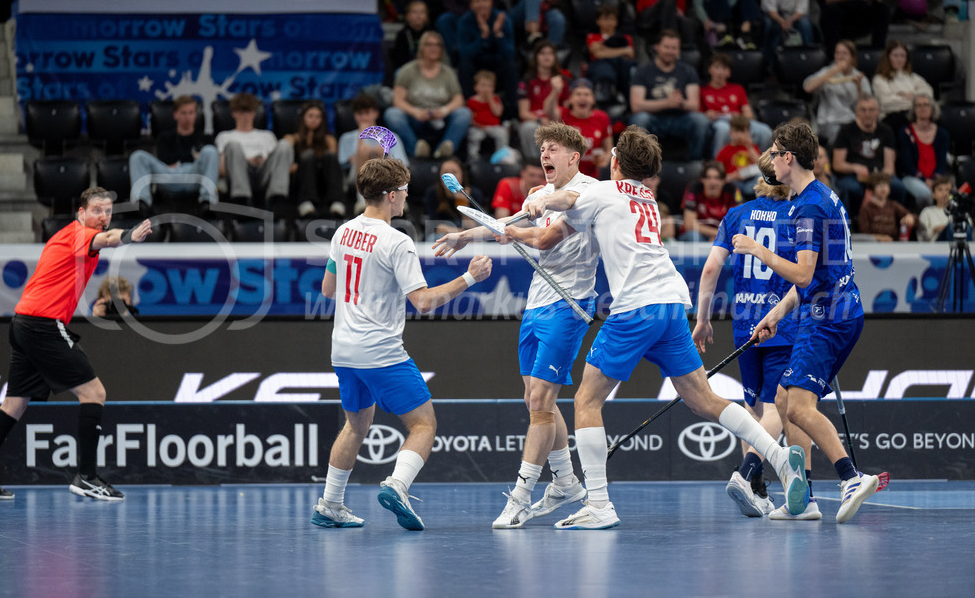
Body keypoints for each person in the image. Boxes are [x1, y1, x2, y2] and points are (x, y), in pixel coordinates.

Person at [502, 124, 807, 529]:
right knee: (704, 400)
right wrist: (521, 224)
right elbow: (555, 231)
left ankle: (598, 504)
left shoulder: (601, 192)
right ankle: (779, 457)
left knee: (585, 402)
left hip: (635, 309)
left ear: (613, 160)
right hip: (670, 304)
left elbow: (569, 197)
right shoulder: (645, 196)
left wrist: (543, 202)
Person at [434, 122, 600, 529]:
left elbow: (544, 240)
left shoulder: (590, 191)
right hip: (537, 305)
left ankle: (521, 495)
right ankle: (567, 483)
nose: (545, 155)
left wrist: (519, 231)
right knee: (535, 399)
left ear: (573, 156)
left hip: (568, 303)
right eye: (543, 148)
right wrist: (465, 236)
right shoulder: (538, 194)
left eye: (554, 148)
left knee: (542, 401)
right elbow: (506, 222)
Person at [312, 157, 492, 530]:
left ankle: (329, 504)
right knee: (423, 424)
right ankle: (398, 484)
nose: (407, 197)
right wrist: (470, 278)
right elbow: (423, 302)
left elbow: (329, 289)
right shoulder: (398, 242)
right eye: (405, 192)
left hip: (343, 350)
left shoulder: (342, 232)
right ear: (391, 196)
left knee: (355, 425)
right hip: (380, 351)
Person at [0, 188, 152, 502]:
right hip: (42, 325)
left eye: (107, 211)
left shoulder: (72, 236)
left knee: (14, 405)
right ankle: (87, 477)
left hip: (23, 323)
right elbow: (107, 239)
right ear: (81, 213)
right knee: (94, 393)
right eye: (96, 210)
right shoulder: (79, 234)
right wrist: (130, 235)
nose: (103, 217)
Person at [733, 120, 880, 523]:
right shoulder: (818, 197)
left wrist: (756, 249)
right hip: (832, 310)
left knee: (796, 407)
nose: (771, 160)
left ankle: (851, 477)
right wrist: (774, 316)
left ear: (789, 159)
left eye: (776, 152)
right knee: (783, 399)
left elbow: (800, 274)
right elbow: (807, 282)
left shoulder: (809, 207)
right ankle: (803, 499)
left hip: (828, 318)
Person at [693, 150, 796, 518]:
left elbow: (709, 270)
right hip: (780, 323)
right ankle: (747, 472)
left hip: (744, 324)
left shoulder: (736, 215)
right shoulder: (795, 214)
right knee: (776, 410)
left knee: (750, 410)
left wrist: (702, 319)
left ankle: (757, 492)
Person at [383, 31, 473, 159]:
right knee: (392, 114)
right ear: (421, 47)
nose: (434, 48)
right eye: (429, 44)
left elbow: (458, 99)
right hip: (415, 117)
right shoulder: (407, 70)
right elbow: (398, 100)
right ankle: (416, 150)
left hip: (440, 118)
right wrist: (415, 112)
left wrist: (444, 110)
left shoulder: (448, 72)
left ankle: (443, 149)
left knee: (464, 113)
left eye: (437, 45)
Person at [128, 95, 219, 213]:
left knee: (210, 151)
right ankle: (141, 202)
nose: (188, 117)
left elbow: (208, 164)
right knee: (138, 156)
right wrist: (192, 155)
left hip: (195, 175)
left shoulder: (205, 138)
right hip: (169, 176)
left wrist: (180, 159)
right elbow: (165, 159)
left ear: (196, 114)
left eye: (191, 113)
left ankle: (208, 201)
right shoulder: (164, 137)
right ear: (175, 115)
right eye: (184, 113)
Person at [629, 30, 710, 161]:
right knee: (639, 120)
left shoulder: (688, 71)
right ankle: (641, 164)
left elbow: (694, 105)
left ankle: (696, 163)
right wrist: (666, 103)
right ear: (657, 47)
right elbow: (636, 105)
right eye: (666, 47)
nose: (670, 51)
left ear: (678, 51)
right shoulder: (643, 72)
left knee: (700, 120)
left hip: (680, 119)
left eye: (674, 48)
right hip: (654, 118)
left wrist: (681, 103)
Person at [831, 93, 907, 218]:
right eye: (863, 109)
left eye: (871, 110)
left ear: (878, 112)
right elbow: (837, 164)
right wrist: (855, 167)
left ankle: (897, 224)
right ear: (856, 112)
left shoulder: (886, 131)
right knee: (852, 188)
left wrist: (878, 181)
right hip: (853, 176)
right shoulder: (846, 130)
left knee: (898, 187)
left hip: (879, 175)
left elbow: (890, 167)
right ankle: (850, 225)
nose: (867, 114)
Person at [215, 93, 295, 209]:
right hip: (238, 173)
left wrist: (263, 161)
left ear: (254, 113)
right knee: (233, 146)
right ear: (234, 113)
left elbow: (281, 165)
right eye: (242, 112)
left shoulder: (267, 136)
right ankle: (241, 199)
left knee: (284, 145)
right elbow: (221, 169)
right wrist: (246, 161)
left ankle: (277, 197)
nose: (246, 116)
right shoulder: (224, 136)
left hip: (264, 173)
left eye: (249, 112)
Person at [457, 0, 520, 121]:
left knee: (511, 66)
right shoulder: (465, 22)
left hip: (497, 62)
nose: (482, 4)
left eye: (485, 0)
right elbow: (465, 53)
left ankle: (510, 114)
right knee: (464, 66)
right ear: (471, 5)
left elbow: (510, 52)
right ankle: (470, 110)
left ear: (491, 2)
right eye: (477, 1)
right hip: (476, 63)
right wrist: (484, 36)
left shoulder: (502, 19)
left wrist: (498, 34)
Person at [337, 93, 409, 213]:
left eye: (367, 113)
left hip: (386, 176)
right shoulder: (346, 137)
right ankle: (362, 199)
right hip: (356, 178)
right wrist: (362, 137)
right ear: (354, 115)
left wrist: (383, 154)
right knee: (363, 151)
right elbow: (345, 166)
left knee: (381, 152)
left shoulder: (391, 136)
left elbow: (401, 166)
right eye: (360, 114)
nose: (364, 118)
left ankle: (393, 199)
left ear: (376, 113)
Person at [701, 52, 773, 157]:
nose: (720, 72)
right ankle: (717, 166)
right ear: (710, 69)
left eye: (724, 68)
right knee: (723, 129)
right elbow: (699, 115)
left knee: (765, 131)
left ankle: (763, 165)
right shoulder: (703, 91)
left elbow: (749, 115)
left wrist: (740, 117)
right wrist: (707, 114)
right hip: (717, 121)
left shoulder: (737, 89)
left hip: (738, 122)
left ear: (729, 72)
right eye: (717, 67)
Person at [284, 102, 346, 218]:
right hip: (300, 181)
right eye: (311, 116)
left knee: (330, 156)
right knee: (309, 156)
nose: (314, 120)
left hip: (323, 180)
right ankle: (305, 202)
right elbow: (284, 168)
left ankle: (337, 202)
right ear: (303, 118)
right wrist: (301, 165)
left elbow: (333, 166)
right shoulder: (292, 139)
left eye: (318, 117)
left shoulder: (329, 140)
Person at [804, 39, 872, 145]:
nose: (840, 56)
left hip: (852, 120)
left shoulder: (860, 77)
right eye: (837, 53)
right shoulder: (827, 71)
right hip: (829, 121)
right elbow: (808, 88)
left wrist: (858, 88)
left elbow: (864, 107)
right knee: (840, 135)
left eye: (844, 53)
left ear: (852, 57)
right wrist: (833, 71)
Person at [517, 40, 570, 159]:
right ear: (536, 57)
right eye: (542, 53)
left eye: (550, 53)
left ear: (555, 57)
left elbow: (567, 109)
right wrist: (541, 119)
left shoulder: (564, 80)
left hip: (557, 120)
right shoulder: (527, 80)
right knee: (528, 128)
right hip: (535, 121)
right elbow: (523, 112)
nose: (547, 56)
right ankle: (535, 163)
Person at [760, 0, 815, 65]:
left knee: (805, 23)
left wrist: (789, 20)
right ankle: (769, 62)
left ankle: (809, 57)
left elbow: (802, 8)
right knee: (769, 24)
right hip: (776, 15)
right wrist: (782, 21)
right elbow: (771, 9)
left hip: (795, 15)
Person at [872, 41, 935, 135]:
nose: (899, 59)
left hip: (914, 114)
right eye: (895, 56)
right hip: (891, 117)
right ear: (888, 57)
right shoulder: (879, 79)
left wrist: (911, 97)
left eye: (902, 56)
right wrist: (916, 100)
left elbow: (929, 93)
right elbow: (887, 102)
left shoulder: (912, 77)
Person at [898, 93, 950, 205]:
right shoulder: (905, 132)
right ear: (913, 109)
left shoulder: (942, 134)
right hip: (912, 177)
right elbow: (907, 163)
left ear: (932, 108)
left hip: (936, 177)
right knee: (925, 194)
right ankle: (925, 220)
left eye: (926, 105)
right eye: (918, 105)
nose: (922, 108)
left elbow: (942, 162)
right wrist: (924, 180)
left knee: (951, 195)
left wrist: (936, 181)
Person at [561, 78, 613, 178]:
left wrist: (606, 158)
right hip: (568, 173)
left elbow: (609, 149)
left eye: (587, 94)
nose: (582, 98)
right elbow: (549, 111)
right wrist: (555, 90)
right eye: (578, 94)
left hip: (594, 173)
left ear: (593, 99)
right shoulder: (562, 115)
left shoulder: (602, 117)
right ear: (570, 99)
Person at [585, 5, 636, 104]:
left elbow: (630, 54)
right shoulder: (592, 36)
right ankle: (604, 98)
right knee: (604, 69)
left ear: (616, 22)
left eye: (612, 19)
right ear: (598, 21)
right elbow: (597, 55)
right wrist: (623, 50)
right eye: (605, 19)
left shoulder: (626, 37)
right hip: (599, 67)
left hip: (621, 67)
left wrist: (603, 48)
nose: (608, 22)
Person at [680, 160, 741, 241]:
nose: (712, 182)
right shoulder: (694, 188)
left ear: (724, 181)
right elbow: (689, 224)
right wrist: (718, 234)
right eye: (708, 178)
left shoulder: (732, 189)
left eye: (717, 178)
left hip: (724, 236)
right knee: (693, 236)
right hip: (700, 234)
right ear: (702, 180)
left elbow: (741, 221)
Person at [423, 157, 484, 236]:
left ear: (462, 175)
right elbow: (436, 226)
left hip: (468, 235)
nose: (449, 177)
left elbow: (473, 227)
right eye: (445, 172)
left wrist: (464, 204)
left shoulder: (474, 194)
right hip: (443, 234)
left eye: (454, 172)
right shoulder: (432, 194)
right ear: (439, 176)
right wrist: (459, 232)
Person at [466, 70, 511, 160]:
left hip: (493, 126)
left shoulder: (495, 99)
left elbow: (498, 113)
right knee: (474, 135)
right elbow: (469, 118)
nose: (486, 89)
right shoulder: (472, 101)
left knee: (502, 133)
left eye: (490, 86)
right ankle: (473, 157)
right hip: (478, 127)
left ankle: (501, 156)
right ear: (476, 87)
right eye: (483, 85)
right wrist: (478, 125)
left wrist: (491, 100)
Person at [857, 171, 915, 240]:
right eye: (879, 185)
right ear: (871, 190)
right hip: (873, 245)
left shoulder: (893, 205)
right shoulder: (866, 209)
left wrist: (910, 218)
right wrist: (880, 238)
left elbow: (913, 217)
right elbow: (864, 233)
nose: (883, 188)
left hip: (893, 244)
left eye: (885, 184)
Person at [715, 114, 763, 196]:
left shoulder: (752, 147)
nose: (740, 135)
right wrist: (733, 176)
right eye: (736, 131)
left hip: (750, 183)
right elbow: (718, 175)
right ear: (730, 133)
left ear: (748, 133)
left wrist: (750, 148)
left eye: (743, 131)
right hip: (734, 184)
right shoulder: (724, 151)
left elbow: (761, 166)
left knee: (761, 177)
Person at [390, 0, 432, 75]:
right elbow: (399, 59)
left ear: (427, 17)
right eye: (414, 12)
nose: (418, 15)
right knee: (398, 72)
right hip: (408, 69)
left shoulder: (432, 34)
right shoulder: (402, 35)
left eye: (422, 12)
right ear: (407, 16)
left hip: (429, 68)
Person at [917, 175, 953, 241]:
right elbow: (921, 237)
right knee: (950, 228)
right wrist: (934, 230)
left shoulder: (959, 212)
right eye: (940, 190)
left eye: (947, 190)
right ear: (933, 194)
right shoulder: (927, 212)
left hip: (959, 244)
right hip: (935, 246)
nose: (944, 193)